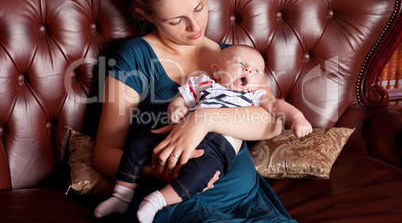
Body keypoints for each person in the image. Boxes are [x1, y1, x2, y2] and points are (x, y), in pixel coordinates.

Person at [93, 0, 299, 222]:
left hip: (248, 200)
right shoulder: (135, 57)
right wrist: (160, 171)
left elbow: (271, 122)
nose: (194, 26)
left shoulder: (235, 59)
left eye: (199, 8)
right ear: (147, 15)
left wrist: (203, 120)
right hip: (177, 203)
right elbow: (105, 153)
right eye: (176, 20)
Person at [94, 45, 312, 221]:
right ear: (216, 70)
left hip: (217, 147)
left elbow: (276, 111)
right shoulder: (204, 83)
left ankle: (156, 201)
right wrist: (176, 108)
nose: (249, 71)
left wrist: (298, 118)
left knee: (202, 171)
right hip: (176, 137)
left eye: (256, 71)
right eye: (241, 65)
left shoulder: (254, 95)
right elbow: (181, 99)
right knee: (138, 145)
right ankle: (121, 196)